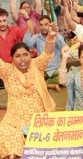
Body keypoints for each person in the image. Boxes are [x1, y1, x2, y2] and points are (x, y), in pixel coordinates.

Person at [0, 24, 57, 158]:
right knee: (5, 132)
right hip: (15, 119)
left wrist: (51, 36)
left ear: (30, 55)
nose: (22, 58)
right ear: (12, 59)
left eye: (25, 54)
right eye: (18, 56)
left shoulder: (36, 65)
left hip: (39, 118)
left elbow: (47, 54)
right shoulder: (8, 71)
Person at [23, 15, 66, 91]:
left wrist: (56, 33)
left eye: (46, 24)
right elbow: (26, 46)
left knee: (64, 79)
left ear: (50, 24)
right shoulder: (37, 37)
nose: (43, 27)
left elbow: (63, 47)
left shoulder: (56, 35)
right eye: (41, 25)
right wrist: (29, 28)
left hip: (55, 70)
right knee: (29, 81)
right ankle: (50, 85)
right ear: (39, 26)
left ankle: (45, 84)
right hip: (42, 70)